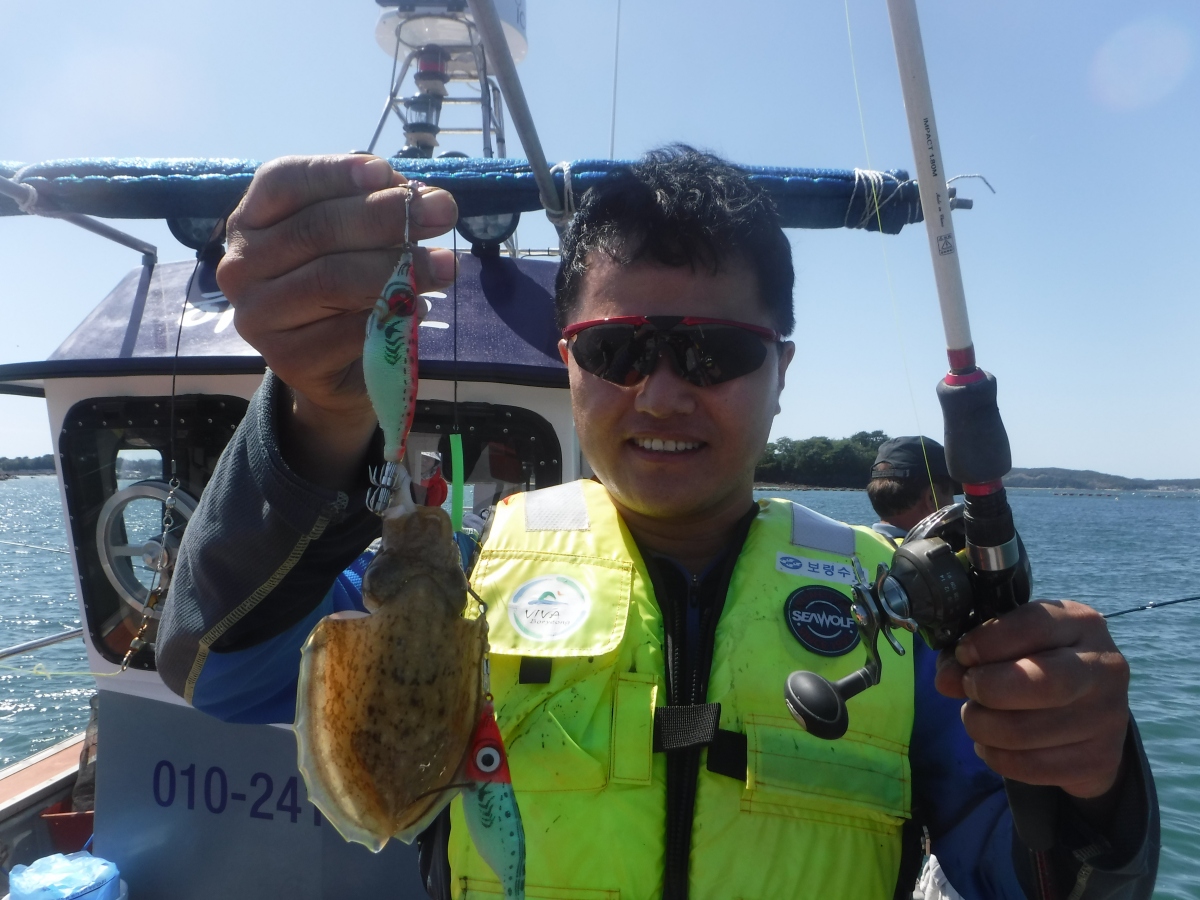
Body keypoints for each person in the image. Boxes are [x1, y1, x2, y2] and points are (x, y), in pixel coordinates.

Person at [157, 148, 1158, 900]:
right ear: (569, 362)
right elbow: (217, 665)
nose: (664, 394)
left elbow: (1035, 877)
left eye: (716, 352)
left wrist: (1093, 782)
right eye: (618, 350)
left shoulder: (897, 614)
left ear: (781, 371)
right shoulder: (460, 574)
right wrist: (322, 413)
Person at [867, 435, 959, 545]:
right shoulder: (935, 555)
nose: (953, 503)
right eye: (951, 496)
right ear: (932, 498)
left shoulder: (855, 542)